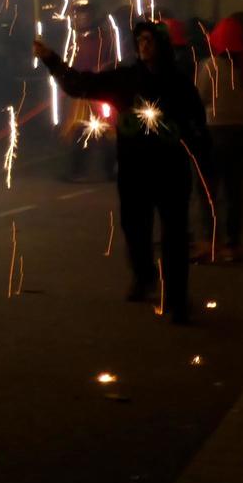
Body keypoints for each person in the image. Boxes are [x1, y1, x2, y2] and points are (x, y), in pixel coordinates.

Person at [36, 22, 208, 323]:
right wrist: (52, 60)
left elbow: (197, 123)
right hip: (135, 169)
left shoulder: (178, 83)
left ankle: (177, 299)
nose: (144, 45)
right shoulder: (127, 79)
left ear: (162, 45)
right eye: (140, 40)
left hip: (170, 170)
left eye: (150, 40)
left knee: (175, 237)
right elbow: (80, 85)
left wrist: (193, 149)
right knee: (135, 228)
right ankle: (144, 278)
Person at [194, 14, 243, 260]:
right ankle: (233, 244)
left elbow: (200, 100)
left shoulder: (209, 66)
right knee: (234, 192)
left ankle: (211, 241)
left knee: (208, 192)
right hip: (238, 134)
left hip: (211, 132)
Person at [62, 1, 119, 182]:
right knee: (78, 130)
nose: (79, 19)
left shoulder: (104, 38)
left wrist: (101, 69)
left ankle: (111, 170)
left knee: (104, 132)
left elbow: (113, 62)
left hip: (99, 93)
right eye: (77, 16)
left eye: (83, 15)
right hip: (82, 95)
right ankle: (78, 171)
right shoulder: (74, 39)